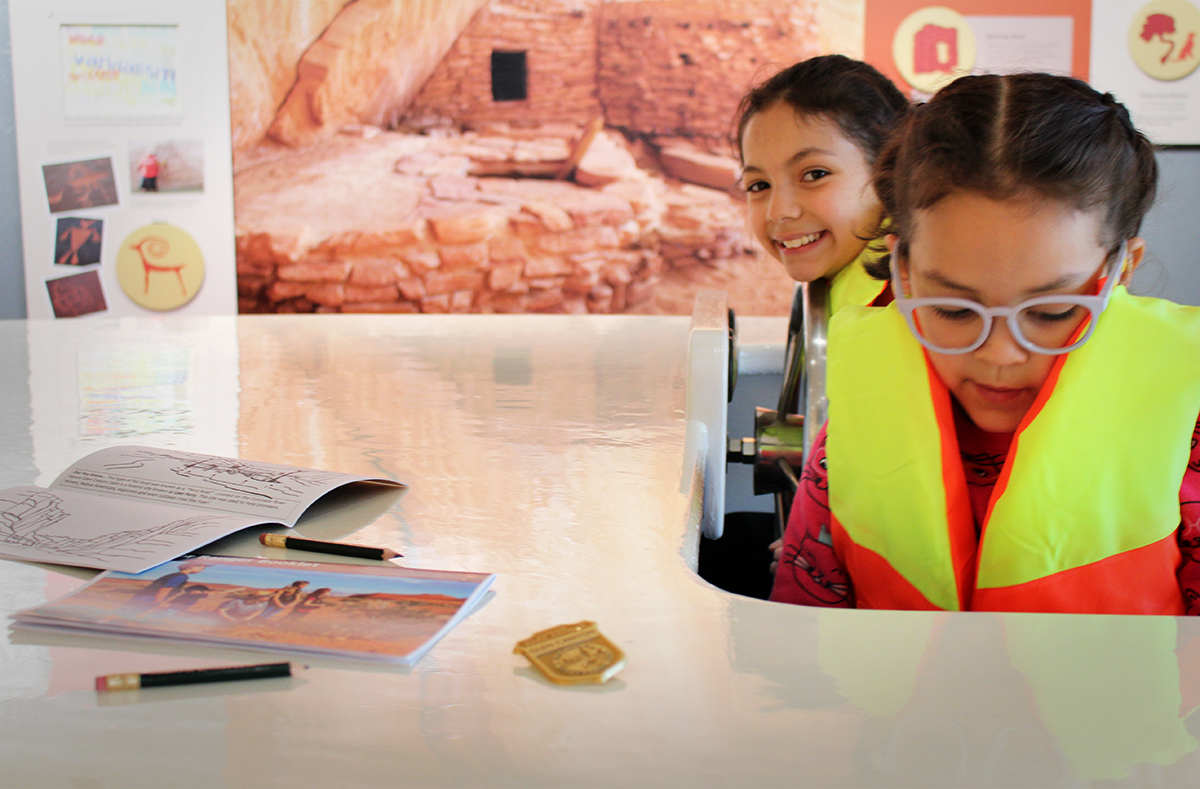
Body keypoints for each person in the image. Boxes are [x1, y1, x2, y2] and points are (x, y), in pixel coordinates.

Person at [770, 72, 1200, 615]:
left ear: (1120, 272)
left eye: (1050, 312)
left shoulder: (1187, 431)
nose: (1000, 355)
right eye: (954, 309)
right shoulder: (858, 432)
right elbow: (798, 633)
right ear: (902, 269)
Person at [734, 54, 909, 312]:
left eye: (814, 175)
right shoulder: (832, 291)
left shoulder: (917, 304)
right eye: (759, 185)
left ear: (889, 171)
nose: (779, 211)